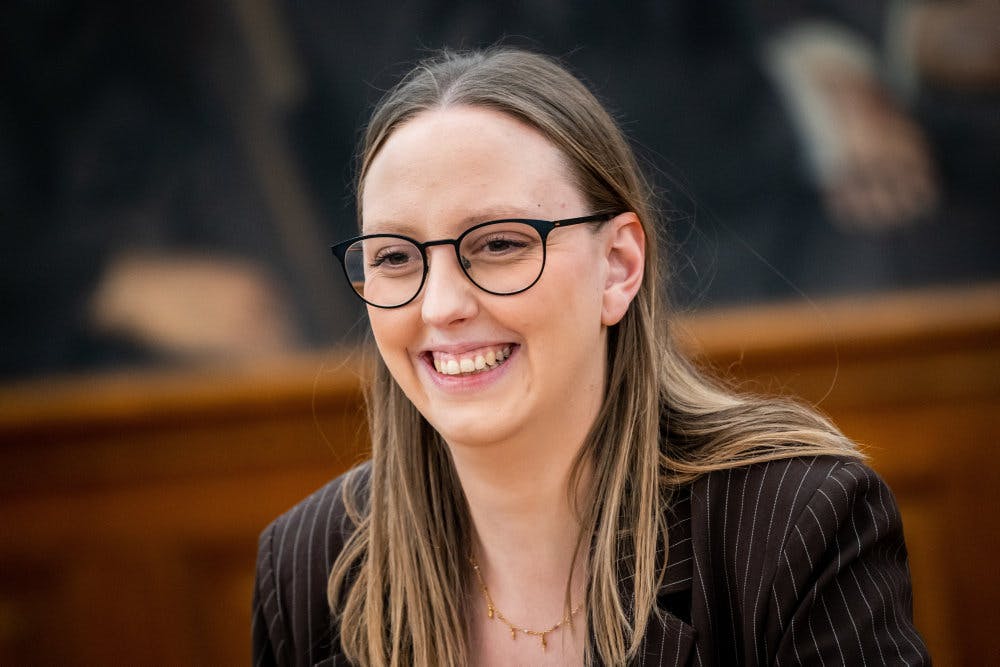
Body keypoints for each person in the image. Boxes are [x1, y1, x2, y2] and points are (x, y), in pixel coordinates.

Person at [252, 48, 928, 666]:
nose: (440, 306)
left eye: (499, 244)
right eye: (396, 258)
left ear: (618, 266)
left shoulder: (798, 522)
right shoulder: (307, 564)